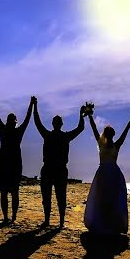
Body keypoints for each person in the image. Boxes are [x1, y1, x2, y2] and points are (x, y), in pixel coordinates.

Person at [32, 97, 86, 228]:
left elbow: (37, 122)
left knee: (53, 197)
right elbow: (80, 128)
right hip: (55, 169)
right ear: (60, 124)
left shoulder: (53, 135)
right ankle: (57, 222)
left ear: (55, 124)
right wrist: (81, 115)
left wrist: (35, 106)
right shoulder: (60, 136)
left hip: (54, 169)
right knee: (56, 196)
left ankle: (53, 221)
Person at [84, 108, 130, 235]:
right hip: (105, 173)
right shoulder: (101, 144)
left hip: (112, 173)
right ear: (108, 135)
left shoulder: (116, 145)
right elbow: (94, 128)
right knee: (102, 198)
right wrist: (90, 116)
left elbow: (126, 131)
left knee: (112, 198)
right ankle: (104, 222)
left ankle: (111, 223)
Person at [0, 90, 33, 224]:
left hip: (10, 163)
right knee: (8, 192)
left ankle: (10, 217)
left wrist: (31, 104)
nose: (12, 121)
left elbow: (27, 118)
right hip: (8, 163)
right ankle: (9, 217)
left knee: (10, 192)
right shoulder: (10, 130)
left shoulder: (12, 130)